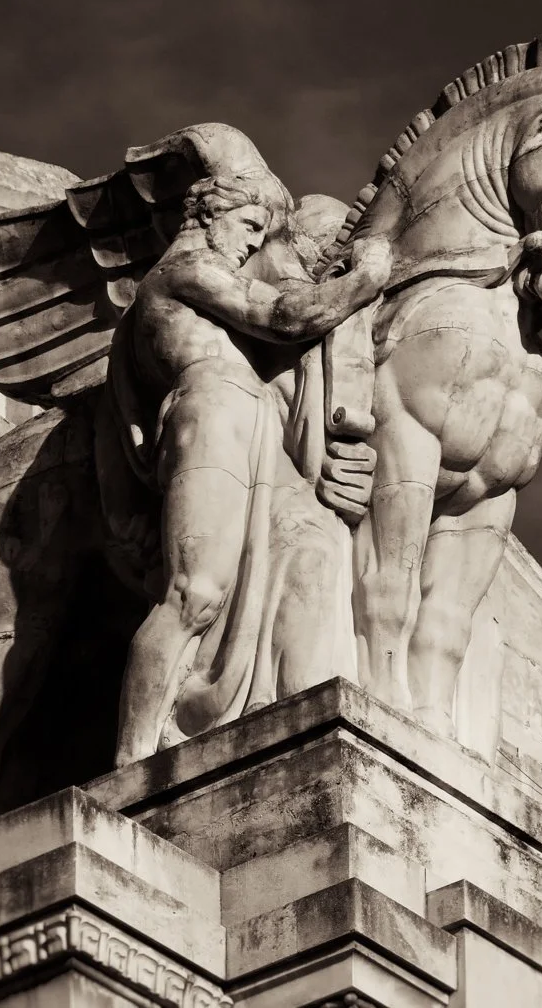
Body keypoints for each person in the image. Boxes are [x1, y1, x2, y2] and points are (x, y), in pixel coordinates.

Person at [101, 172, 391, 764]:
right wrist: (366, 278)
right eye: (249, 225)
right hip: (212, 414)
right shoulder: (183, 270)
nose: (254, 242)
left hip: (250, 423)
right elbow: (281, 314)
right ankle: (130, 760)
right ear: (206, 215)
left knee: (288, 555)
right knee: (195, 593)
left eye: (262, 231)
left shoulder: (213, 277)